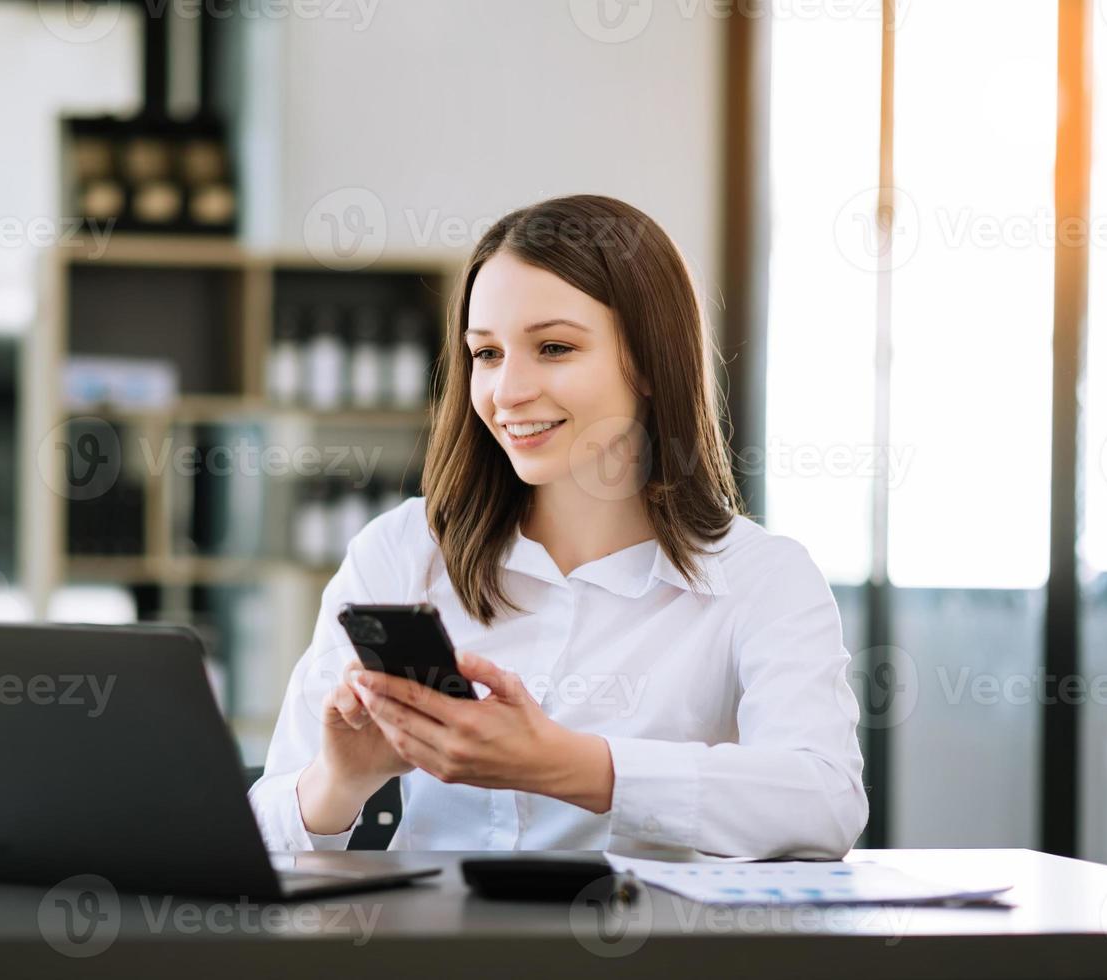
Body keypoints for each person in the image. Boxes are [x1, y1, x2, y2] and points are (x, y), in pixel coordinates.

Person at [249, 194, 868, 858]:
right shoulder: (400, 553)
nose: (508, 391)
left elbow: (825, 803)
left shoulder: (762, 578)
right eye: (486, 354)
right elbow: (260, 838)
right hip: (433, 957)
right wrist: (340, 780)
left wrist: (570, 765)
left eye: (553, 347)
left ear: (650, 361)